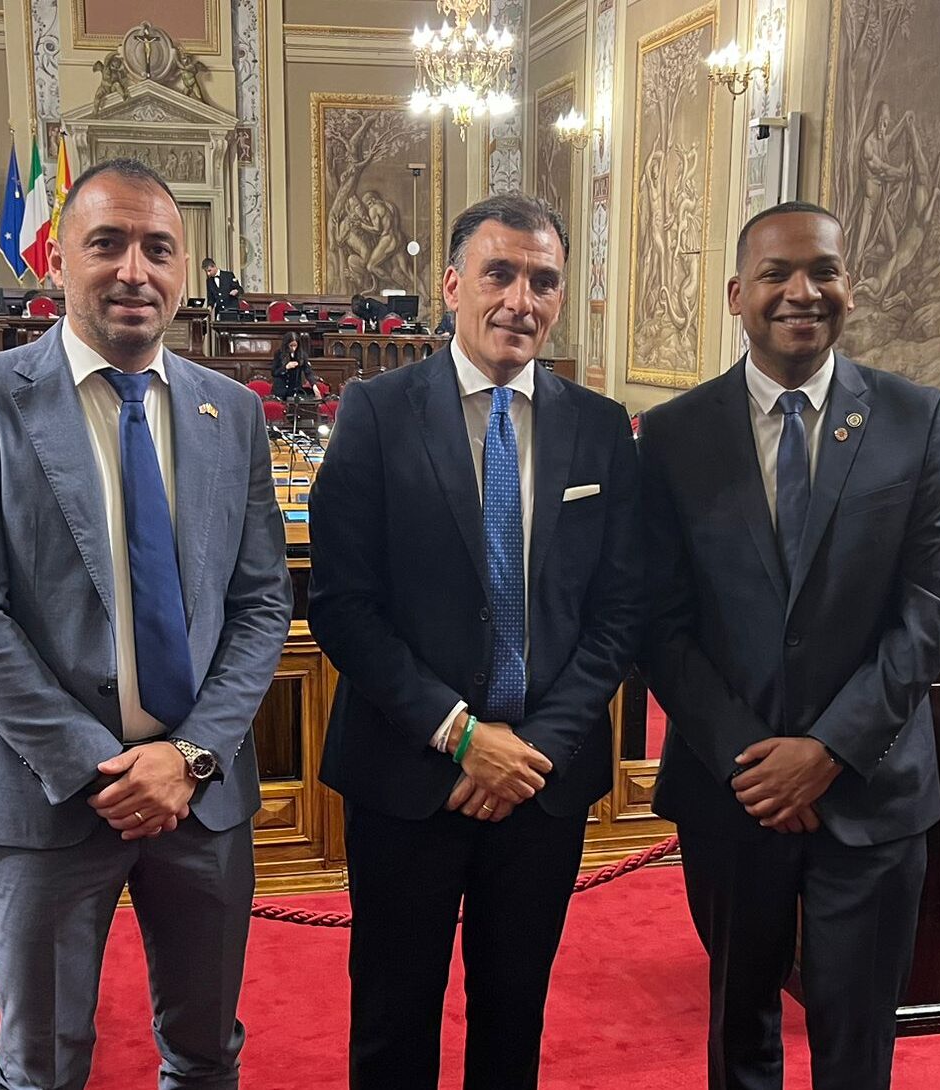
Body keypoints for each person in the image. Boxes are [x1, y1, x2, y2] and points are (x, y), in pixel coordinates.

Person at [0, 158, 293, 1090]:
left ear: (184, 268)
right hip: (45, 795)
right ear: (57, 262)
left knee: (206, 1054)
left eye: (158, 249)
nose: (135, 270)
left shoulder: (232, 412)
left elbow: (260, 605)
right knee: (41, 1067)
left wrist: (189, 757)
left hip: (199, 798)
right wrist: (103, 769)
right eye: (107, 244)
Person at [307, 194, 642, 1089]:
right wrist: (460, 735)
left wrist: (531, 748)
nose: (519, 301)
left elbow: (617, 611)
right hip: (407, 775)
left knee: (512, 1016)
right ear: (453, 286)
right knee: (391, 1022)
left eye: (543, 281)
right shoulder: (376, 412)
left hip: (540, 783)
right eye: (499, 274)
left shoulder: (599, 427)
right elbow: (342, 605)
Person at [638, 200, 940, 1090]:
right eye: (776, 274)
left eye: (822, 271)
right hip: (731, 790)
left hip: (870, 789)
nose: (802, 292)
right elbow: (656, 620)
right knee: (738, 1035)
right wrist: (753, 761)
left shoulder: (916, 418)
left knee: (855, 1047)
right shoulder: (672, 435)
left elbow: (933, 603)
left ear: (848, 287)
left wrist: (826, 751)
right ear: (735, 294)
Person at [271, 331, 317, 399]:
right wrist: (286, 367)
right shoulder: (278, 354)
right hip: (280, 391)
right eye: (291, 346)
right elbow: (274, 372)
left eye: (295, 345)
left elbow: (308, 372)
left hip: (295, 391)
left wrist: (314, 385)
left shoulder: (302, 355)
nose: (293, 348)